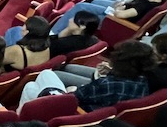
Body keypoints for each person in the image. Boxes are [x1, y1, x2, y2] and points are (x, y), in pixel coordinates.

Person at [17, 40, 156, 110]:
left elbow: (78, 95)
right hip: (98, 103)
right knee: (37, 84)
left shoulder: (107, 84)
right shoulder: (143, 79)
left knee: (38, 80)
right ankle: (25, 110)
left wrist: (73, 90)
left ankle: (24, 113)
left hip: (77, 108)